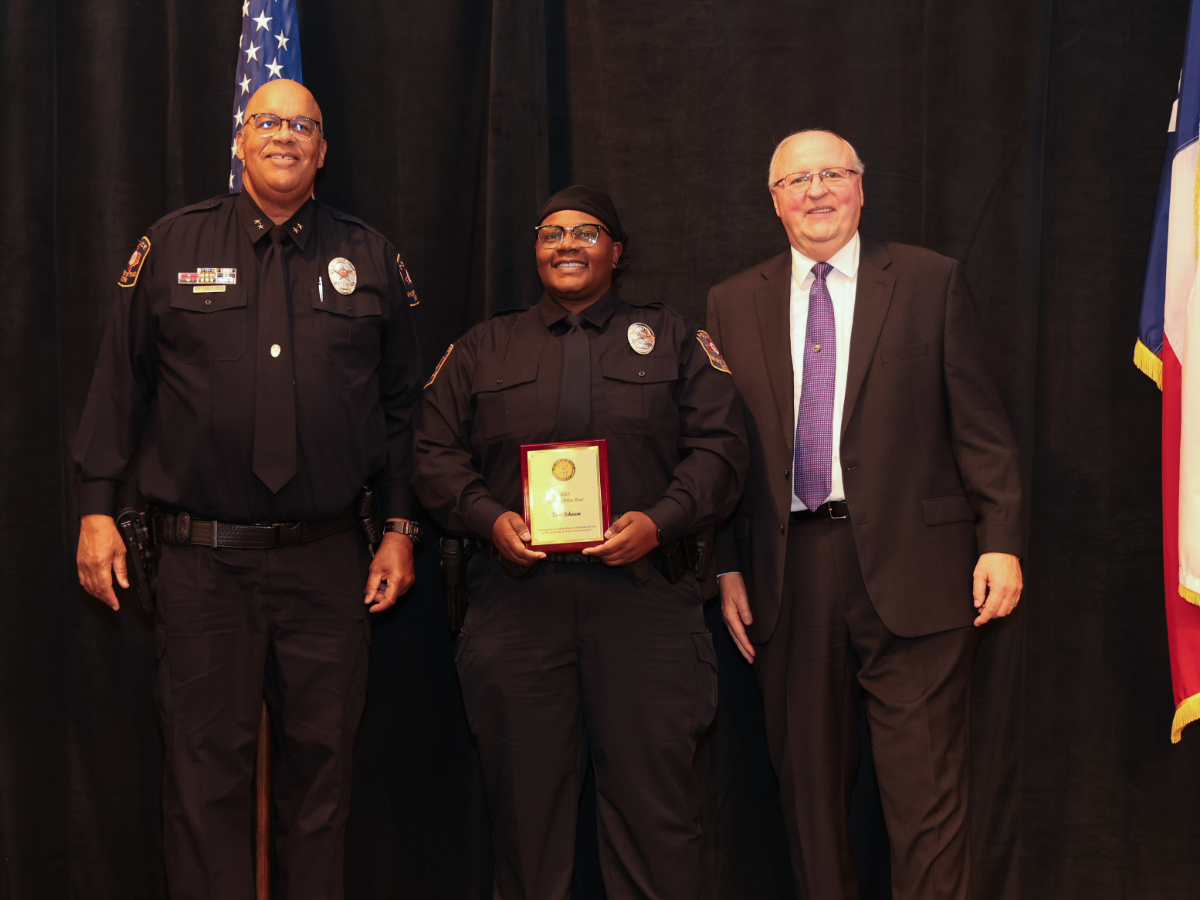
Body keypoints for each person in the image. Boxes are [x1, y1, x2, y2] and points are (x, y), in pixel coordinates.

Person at [72, 79, 424, 900]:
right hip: (202, 567)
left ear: (324, 150)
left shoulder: (370, 257)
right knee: (203, 785)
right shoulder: (171, 245)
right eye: (268, 122)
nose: (285, 137)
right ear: (240, 139)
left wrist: (402, 526)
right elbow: (117, 389)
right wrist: (95, 509)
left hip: (331, 561)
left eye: (303, 126)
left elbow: (405, 407)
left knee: (322, 782)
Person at [706, 130, 1024, 900]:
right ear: (773, 200)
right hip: (789, 572)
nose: (816, 192)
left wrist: (1002, 540)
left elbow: (981, 426)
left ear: (860, 186)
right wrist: (726, 562)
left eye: (832, 175)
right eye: (798, 180)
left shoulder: (928, 280)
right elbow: (720, 447)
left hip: (922, 570)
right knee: (809, 803)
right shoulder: (730, 300)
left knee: (928, 800)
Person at [413, 185, 747, 900]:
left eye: (586, 232)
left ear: (617, 252)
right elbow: (432, 457)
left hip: (645, 607)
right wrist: (486, 517)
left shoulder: (676, 340)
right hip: (516, 610)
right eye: (550, 233)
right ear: (535, 250)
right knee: (525, 825)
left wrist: (660, 519)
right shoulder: (482, 347)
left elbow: (722, 451)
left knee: (658, 823)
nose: (566, 244)